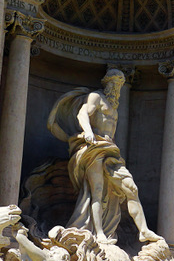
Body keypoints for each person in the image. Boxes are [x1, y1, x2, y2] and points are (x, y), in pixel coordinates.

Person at [47, 69, 161, 245]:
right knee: (97, 192)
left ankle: (144, 230)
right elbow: (82, 113)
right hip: (94, 147)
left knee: (131, 188)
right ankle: (99, 233)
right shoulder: (96, 97)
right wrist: (88, 132)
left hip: (110, 150)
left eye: (120, 85)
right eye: (114, 83)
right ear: (106, 82)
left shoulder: (114, 106)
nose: (117, 88)